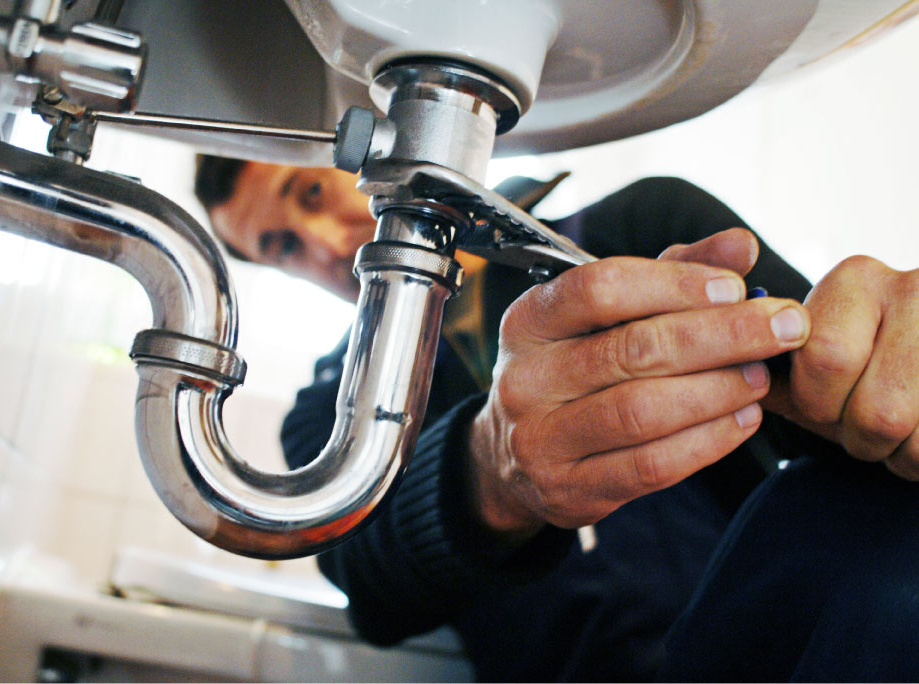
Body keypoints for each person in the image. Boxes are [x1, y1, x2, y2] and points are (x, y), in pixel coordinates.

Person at [196, 156, 919, 680]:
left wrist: (883, 359)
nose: (322, 243)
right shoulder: (332, 411)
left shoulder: (641, 229)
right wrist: (488, 473)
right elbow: (372, 588)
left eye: (312, 191)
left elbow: (849, 407)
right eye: (281, 247)